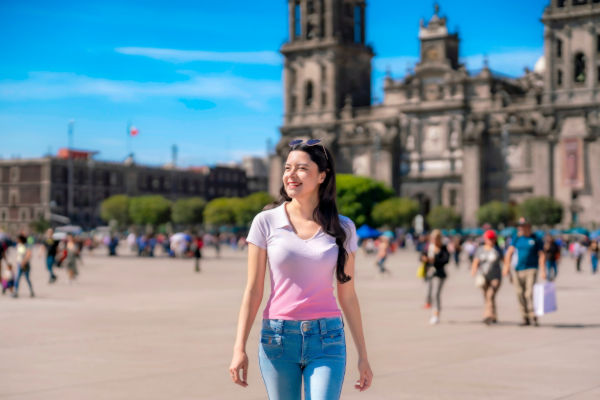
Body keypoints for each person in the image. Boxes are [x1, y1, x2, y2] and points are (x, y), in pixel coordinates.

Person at [229, 139, 373, 399]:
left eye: (302, 168)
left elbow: (348, 295)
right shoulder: (265, 221)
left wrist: (363, 355)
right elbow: (253, 291)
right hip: (278, 338)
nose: (291, 175)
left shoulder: (344, 228)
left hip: (327, 338)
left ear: (322, 176)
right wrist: (239, 347)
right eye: (287, 168)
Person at [503, 218, 546, 326]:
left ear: (528, 226)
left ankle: (533, 315)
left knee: (529, 293)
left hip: (531, 268)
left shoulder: (536, 238)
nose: (520, 228)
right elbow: (510, 252)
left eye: (523, 226)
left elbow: (541, 255)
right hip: (517, 269)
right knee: (519, 293)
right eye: (519, 226)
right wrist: (506, 266)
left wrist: (543, 270)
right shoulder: (516, 237)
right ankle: (525, 316)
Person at [470, 230, 503, 325]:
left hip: (496, 277)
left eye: (493, 239)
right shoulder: (480, 249)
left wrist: (507, 271)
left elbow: (504, 260)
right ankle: (494, 315)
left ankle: (487, 315)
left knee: (490, 295)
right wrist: (473, 270)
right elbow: (476, 261)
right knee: (487, 297)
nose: (491, 241)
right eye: (489, 239)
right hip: (484, 276)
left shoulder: (497, 249)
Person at [420, 230, 450, 325]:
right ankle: (429, 304)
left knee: (435, 293)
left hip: (439, 274)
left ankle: (436, 314)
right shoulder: (428, 247)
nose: (434, 240)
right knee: (428, 291)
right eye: (433, 238)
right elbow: (421, 256)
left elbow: (446, 260)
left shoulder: (443, 248)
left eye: (436, 238)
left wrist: (435, 259)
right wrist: (424, 259)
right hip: (429, 273)